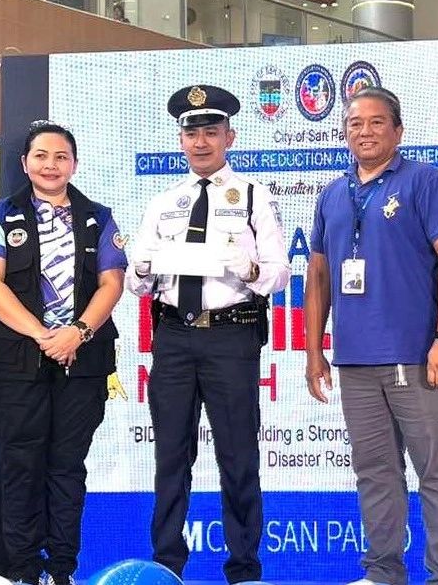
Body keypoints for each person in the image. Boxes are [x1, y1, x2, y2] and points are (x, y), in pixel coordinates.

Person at [305, 86, 438, 585]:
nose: (364, 131)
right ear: (344, 132)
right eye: (355, 123)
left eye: (376, 122)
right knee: (375, 475)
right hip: (353, 361)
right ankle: (383, 574)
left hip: (417, 356)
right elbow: (319, 277)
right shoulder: (332, 194)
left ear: (397, 131)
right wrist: (315, 351)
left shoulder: (425, 181)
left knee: (437, 472)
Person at [126, 84, 289, 583]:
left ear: (229, 137)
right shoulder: (164, 202)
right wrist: (142, 269)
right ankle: (166, 566)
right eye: (191, 133)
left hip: (230, 337)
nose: (201, 142)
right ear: (181, 140)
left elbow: (280, 273)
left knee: (238, 456)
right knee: (170, 455)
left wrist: (251, 268)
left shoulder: (254, 196)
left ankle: (244, 569)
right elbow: (137, 282)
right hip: (173, 338)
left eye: (211, 132)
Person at [0, 121, 126, 585]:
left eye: (61, 157)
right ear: (25, 163)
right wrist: (44, 335)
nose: (51, 165)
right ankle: (20, 571)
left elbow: (112, 284)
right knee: (19, 466)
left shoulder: (99, 217)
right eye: (41, 156)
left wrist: (76, 333)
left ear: (74, 164)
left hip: (83, 362)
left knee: (66, 468)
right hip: (17, 363)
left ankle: (62, 570)